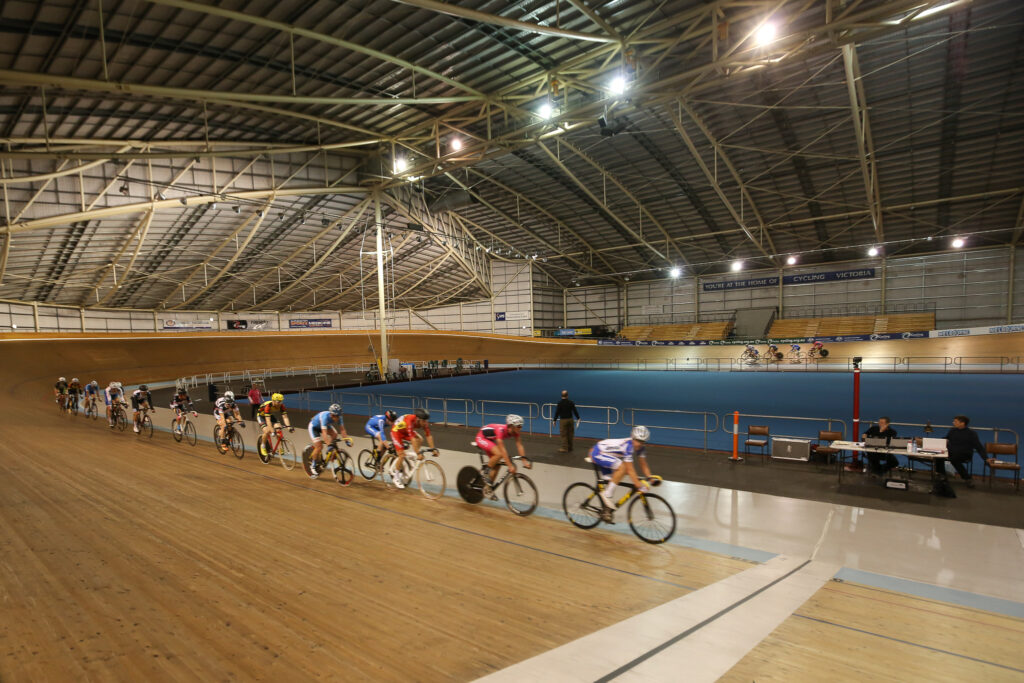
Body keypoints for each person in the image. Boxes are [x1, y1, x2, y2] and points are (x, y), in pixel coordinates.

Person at [588, 426, 659, 515]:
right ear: (632, 437)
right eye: (637, 440)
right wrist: (639, 485)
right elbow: (630, 469)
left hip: (606, 453)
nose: (640, 444)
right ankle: (607, 495)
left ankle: (606, 511)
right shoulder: (628, 446)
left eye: (642, 441)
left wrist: (650, 478)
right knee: (623, 467)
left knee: (612, 480)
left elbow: (643, 465)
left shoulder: (641, 448)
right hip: (598, 453)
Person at [474, 414, 533, 499]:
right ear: (511, 426)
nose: (520, 428)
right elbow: (502, 450)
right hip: (481, 438)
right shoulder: (500, 430)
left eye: (521, 426)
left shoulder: (515, 432)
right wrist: (510, 465)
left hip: (490, 439)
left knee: (497, 465)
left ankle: (488, 489)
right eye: (518, 426)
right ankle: (486, 473)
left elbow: (519, 445)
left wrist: (524, 461)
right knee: (499, 454)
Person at [389, 408, 438, 489]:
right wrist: (418, 453)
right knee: (401, 455)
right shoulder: (409, 420)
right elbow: (412, 439)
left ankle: (413, 456)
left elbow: (428, 435)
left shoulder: (423, 422)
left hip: (406, 431)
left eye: (427, 421)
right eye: (424, 421)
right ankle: (396, 478)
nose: (426, 423)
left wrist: (433, 449)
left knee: (420, 439)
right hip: (396, 432)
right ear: (418, 419)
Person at [306, 404, 353, 480]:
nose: (338, 418)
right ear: (332, 415)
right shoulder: (325, 417)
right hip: (314, 427)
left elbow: (342, 430)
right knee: (319, 446)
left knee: (335, 434)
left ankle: (329, 452)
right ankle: (313, 466)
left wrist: (346, 440)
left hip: (323, 426)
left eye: (339, 416)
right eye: (337, 416)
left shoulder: (339, 417)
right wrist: (329, 444)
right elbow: (324, 434)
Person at [942, 415, 985, 488]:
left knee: (954, 459)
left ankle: (967, 478)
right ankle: (942, 476)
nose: (953, 423)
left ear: (962, 423)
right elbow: (946, 438)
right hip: (952, 452)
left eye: (955, 421)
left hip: (965, 454)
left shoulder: (971, 433)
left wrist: (986, 458)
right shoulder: (952, 431)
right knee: (937, 457)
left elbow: (979, 447)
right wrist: (941, 440)